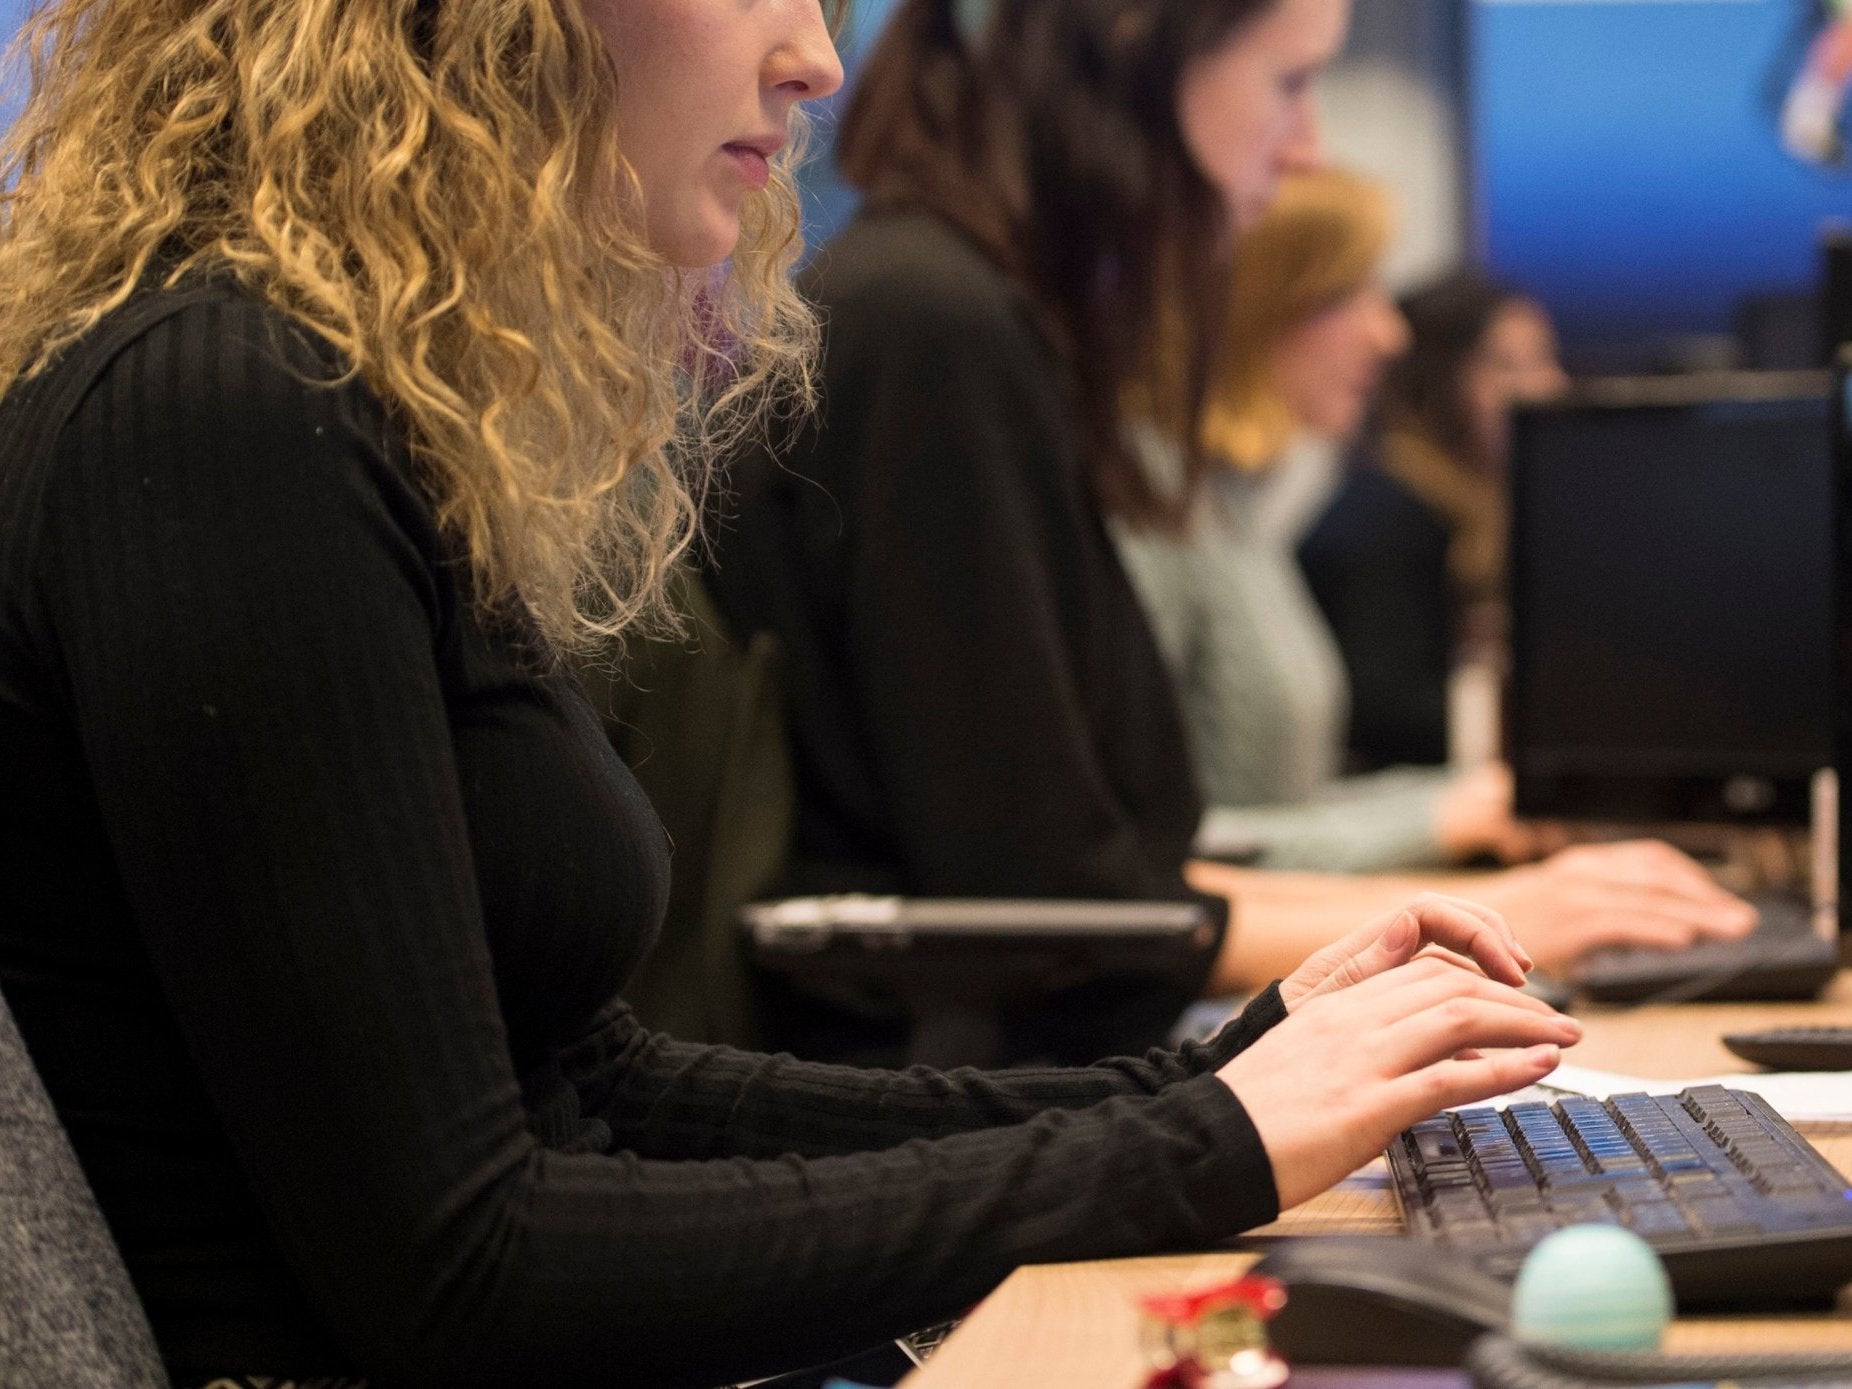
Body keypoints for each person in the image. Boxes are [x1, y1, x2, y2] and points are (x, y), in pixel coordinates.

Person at [0, 0, 1581, 1385]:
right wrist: (1193, 1148)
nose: (820, 56)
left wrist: (1199, 1083)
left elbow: (595, 1081)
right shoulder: (222, 419)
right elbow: (460, 1268)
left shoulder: (356, 409)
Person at [709, 0, 1753, 1034]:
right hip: (950, 1119)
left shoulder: (980, 321)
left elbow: (1110, 883)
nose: (1304, 152)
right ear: (1127, 61)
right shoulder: (933, 325)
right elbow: (1057, 915)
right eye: (1289, 84)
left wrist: (1463, 917)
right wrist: (1488, 920)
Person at [1300, 271, 1569, 772]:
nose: (1549, 386)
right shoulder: (1387, 511)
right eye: (1509, 366)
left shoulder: (1484, 508)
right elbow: (1380, 708)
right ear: (1438, 379)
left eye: (1546, 359)